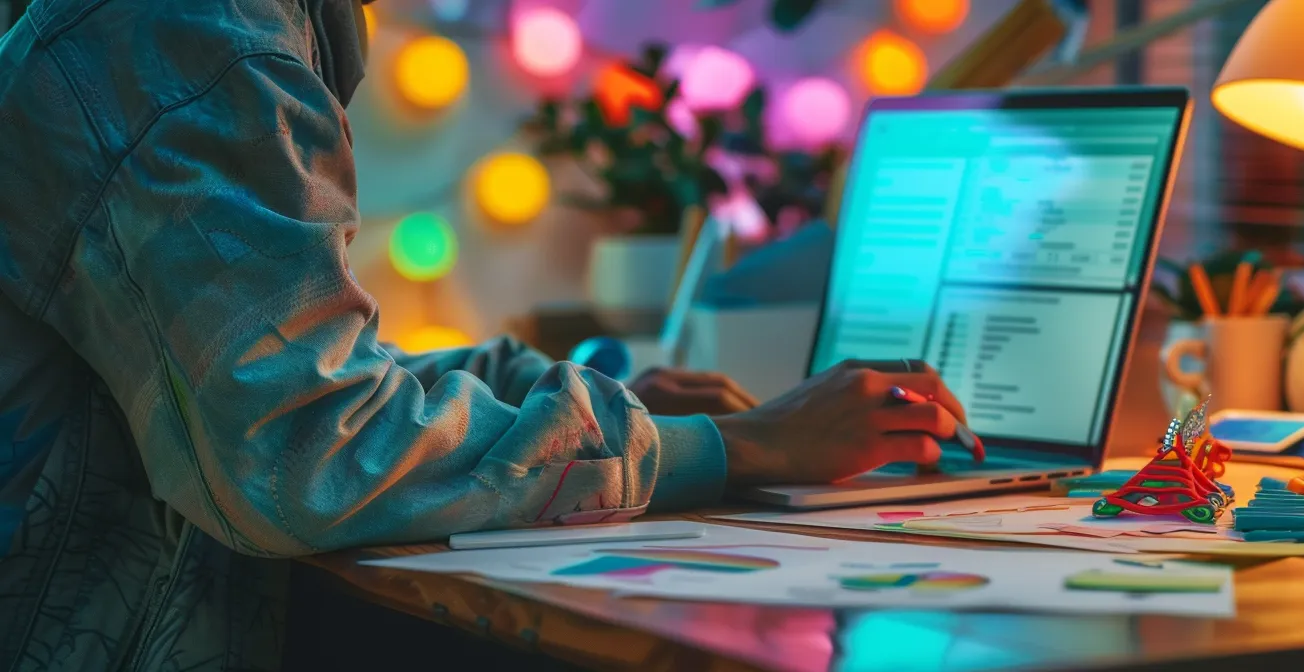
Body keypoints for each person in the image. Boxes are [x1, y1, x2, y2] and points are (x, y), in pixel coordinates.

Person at [0, 1, 970, 669]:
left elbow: (271, 374)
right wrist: (727, 448)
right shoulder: (189, 35)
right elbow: (311, 448)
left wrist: (582, 407)